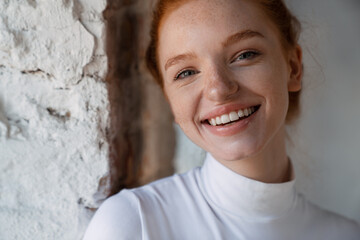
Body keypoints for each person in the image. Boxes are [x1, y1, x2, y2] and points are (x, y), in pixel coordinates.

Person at [83, 0, 360, 239]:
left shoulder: (347, 235)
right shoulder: (135, 224)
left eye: (244, 55)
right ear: (170, 102)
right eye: (186, 73)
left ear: (293, 68)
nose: (218, 89)